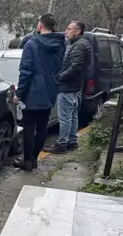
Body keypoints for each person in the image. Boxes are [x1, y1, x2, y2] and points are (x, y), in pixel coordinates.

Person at [14, 13, 66, 171]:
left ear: (39, 25)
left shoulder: (31, 44)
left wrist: (20, 93)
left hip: (33, 91)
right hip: (50, 89)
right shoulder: (60, 43)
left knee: (29, 126)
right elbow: (59, 67)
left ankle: (27, 160)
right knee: (43, 126)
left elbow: (26, 72)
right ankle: (34, 159)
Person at [45, 21, 92, 153]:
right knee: (72, 115)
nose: (66, 31)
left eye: (69, 29)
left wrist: (59, 77)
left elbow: (75, 66)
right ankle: (71, 141)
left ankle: (62, 144)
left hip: (68, 86)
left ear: (77, 31)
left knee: (65, 117)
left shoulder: (78, 46)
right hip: (75, 86)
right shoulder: (81, 43)